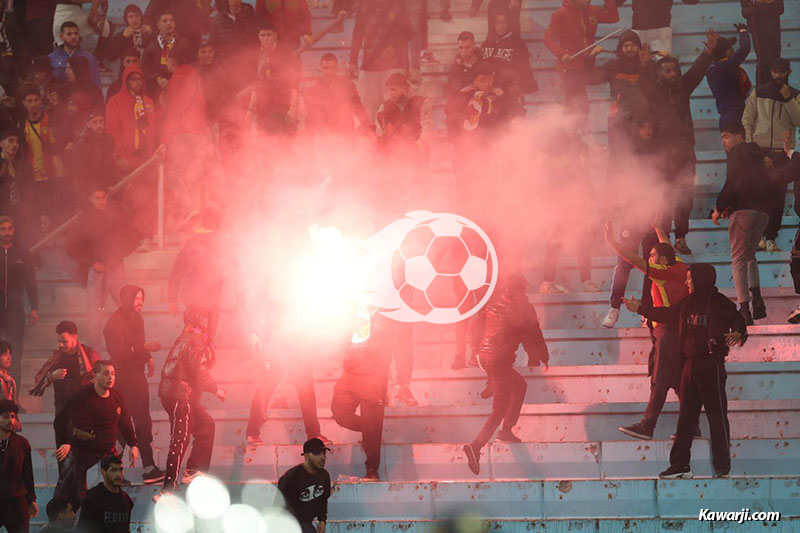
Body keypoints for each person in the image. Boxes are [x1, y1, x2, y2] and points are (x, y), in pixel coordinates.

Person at [624, 263, 747, 479]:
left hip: (712, 364)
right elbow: (667, 314)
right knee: (685, 418)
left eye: (690, 279)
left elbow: (738, 319)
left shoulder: (719, 302)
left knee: (716, 417)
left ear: (700, 279)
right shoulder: (686, 303)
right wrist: (640, 309)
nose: (687, 282)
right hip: (689, 366)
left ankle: (722, 467)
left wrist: (738, 333)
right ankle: (680, 465)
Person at [606, 221, 689, 440]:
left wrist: (613, 243)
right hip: (676, 331)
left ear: (661, 261)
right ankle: (692, 427)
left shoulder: (662, 272)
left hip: (666, 332)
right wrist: (658, 228)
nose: (649, 257)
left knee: (660, 380)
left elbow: (634, 260)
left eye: (652, 255)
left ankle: (647, 426)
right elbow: (666, 244)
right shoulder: (679, 265)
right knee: (679, 382)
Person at [639, 30, 718, 255]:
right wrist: (644, 66)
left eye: (674, 70)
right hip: (662, 155)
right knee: (663, 198)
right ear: (660, 73)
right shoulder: (654, 91)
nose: (672, 74)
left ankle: (681, 238)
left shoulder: (684, 87)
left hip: (685, 152)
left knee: (684, 196)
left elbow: (697, 71)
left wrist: (708, 52)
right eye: (667, 71)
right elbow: (644, 85)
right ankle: (663, 240)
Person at [462, 274, 549, 475]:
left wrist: (474, 350)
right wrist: (541, 356)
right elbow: (534, 335)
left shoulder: (493, 304)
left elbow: (474, 328)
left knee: (519, 385)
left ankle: (506, 429)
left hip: (485, 358)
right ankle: (475, 446)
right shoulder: (524, 309)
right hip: (499, 362)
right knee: (499, 408)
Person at [158, 306, 226, 495]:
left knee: (206, 426)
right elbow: (200, 369)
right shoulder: (196, 339)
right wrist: (216, 388)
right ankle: (168, 489)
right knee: (180, 440)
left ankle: (194, 469)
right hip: (181, 395)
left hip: (178, 393)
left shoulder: (186, 336)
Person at [601, 115, 662, 328]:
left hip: (650, 217)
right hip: (630, 215)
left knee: (650, 265)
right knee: (623, 262)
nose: (648, 131)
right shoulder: (627, 155)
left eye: (650, 127)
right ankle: (614, 306)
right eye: (644, 127)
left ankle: (647, 309)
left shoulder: (658, 153)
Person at [53, 361, 138, 509]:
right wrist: (65, 442)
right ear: (95, 375)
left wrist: (133, 444)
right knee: (73, 489)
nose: (110, 377)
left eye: (112, 374)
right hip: (82, 450)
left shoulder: (118, 397)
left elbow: (125, 423)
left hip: (107, 451)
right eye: (105, 373)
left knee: (114, 488)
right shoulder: (81, 397)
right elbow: (60, 420)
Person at [104, 285, 165, 485]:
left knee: (142, 421)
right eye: (136, 298)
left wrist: (148, 357)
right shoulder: (113, 323)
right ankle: (111, 469)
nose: (140, 302)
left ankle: (149, 468)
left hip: (137, 376)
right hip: (123, 378)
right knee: (123, 424)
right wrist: (144, 349)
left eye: (141, 298)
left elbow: (140, 343)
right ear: (126, 299)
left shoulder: (137, 318)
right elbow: (119, 352)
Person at [65, 186, 138, 351]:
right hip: (97, 271)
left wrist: (119, 254)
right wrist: (92, 262)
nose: (101, 201)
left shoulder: (117, 215)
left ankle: (131, 348)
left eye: (103, 197)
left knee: (127, 308)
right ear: (90, 199)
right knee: (94, 317)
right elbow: (71, 246)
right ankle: (94, 357)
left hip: (115, 267)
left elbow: (133, 235)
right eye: (97, 197)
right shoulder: (84, 219)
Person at [712, 122, 771, 324]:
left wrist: (719, 207)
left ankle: (744, 310)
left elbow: (733, 182)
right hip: (762, 212)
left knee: (737, 260)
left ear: (739, 136)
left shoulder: (736, 153)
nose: (723, 142)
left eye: (726, 136)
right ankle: (758, 301)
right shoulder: (759, 154)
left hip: (743, 212)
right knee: (749, 256)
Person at [742, 58, 800, 253]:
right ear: (771, 71)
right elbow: (747, 120)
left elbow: (798, 120)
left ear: (788, 72)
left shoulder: (794, 95)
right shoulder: (758, 92)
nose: (778, 75)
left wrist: (788, 99)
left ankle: (770, 238)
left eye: (782, 71)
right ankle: (758, 236)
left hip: (782, 154)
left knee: (777, 198)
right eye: (775, 71)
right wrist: (753, 149)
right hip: (761, 151)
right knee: (758, 196)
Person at [331, 310, 393, 480]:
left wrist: (384, 385)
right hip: (350, 372)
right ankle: (370, 429)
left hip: (373, 376)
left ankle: (372, 470)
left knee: (373, 424)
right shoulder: (350, 306)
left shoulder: (384, 312)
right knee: (340, 413)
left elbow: (389, 351)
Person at [544, 0, 619, 116]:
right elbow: (548, 38)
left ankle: (574, 129)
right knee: (577, 104)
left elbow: (614, 17)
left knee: (579, 105)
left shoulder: (592, 11)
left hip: (588, 63)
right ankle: (569, 129)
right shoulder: (561, 14)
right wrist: (561, 54)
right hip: (570, 66)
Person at [349, 0, 414, 121]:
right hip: (370, 66)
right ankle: (370, 137)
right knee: (368, 110)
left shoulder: (397, 5)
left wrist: (395, 46)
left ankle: (395, 139)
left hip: (393, 65)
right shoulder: (364, 5)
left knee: (392, 108)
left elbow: (409, 32)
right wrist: (352, 60)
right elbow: (357, 33)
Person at [167, 208, 225, 339]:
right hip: (203, 300)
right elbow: (178, 270)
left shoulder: (194, 241)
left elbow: (177, 270)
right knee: (204, 339)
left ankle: (201, 355)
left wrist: (172, 298)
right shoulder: (214, 242)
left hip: (197, 298)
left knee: (197, 338)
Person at [19, 83, 67, 225]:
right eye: (29, 101)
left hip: (57, 174)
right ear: (24, 103)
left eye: (35, 100)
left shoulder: (52, 120)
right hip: (36, 178)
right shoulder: (21, 125)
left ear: (40, 101)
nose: (33, 104)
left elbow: (62, 142)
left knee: (59, 212)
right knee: (43, 214)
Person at [31, 321, 100, 413]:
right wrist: (51, 377)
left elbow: (100, 378)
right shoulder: (56, 358)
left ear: (75, 337)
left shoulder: (89, 354)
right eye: (59, 341)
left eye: (64, 341)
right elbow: (38, 378)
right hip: (62, 407)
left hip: (85, 406)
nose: (61, 345)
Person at [0, 217, 37, 384]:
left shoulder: (23, 252)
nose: (6, 232)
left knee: (14, 354)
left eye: (9, 229)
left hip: (15, 308)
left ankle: (13, 399)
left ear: (13, 230)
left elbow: (31, 280)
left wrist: (34, 307)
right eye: (3, 229)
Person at [246, 23, 302, 136]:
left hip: (282, 104)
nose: (266, 39)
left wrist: (292, 108)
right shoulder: (256, 55)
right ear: (258, 36)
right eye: (263, 35)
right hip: (264, 107)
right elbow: (255, 83)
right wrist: (250, 109)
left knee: (286, 141)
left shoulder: (285, 54)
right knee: (267, 142)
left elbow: (294, 83)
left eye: (268, 35)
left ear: (275, 36)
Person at [105, 63, 157, 173]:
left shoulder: (148, 101)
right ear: (126, 81)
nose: (138, 83)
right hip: (127, 156)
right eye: (133, 79)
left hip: (148, 156)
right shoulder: (115, 102)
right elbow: (112, 130)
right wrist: (119, 155)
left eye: (140, 79)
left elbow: (153, 128)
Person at [302, 53, 372, 134]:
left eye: (332, 68)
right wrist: (309, 136)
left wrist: (368, 126)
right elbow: (310, 117)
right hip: (325, 134)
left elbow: (358, 107)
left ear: (336, 67)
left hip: (346, 132)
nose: (329, 71)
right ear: (321, 68)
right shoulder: (313, 91)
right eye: (326, 68)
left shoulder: (347, 85)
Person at [277, 438, 331, 533]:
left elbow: (323, 500)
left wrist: (322, 520)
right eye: (317, 453)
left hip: (304, 523)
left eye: (324, 453)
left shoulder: (324, 475)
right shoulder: (291, 478)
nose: (322, 457)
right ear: (306, 456)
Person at [0, 400, 37, 532]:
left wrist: (31, 500)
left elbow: (28, 474)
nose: (10, 420)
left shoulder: (22, 443)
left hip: (16, 499)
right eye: (5, 417)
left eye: (13, 416)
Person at [707, 23, 751, 129]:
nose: (733, 50)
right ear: (726, 52)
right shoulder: (726, 66)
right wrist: (743, 31)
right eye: (731, 48)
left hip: (726, 115)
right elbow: (745, 48)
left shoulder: (712, 68)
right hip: (735, 115)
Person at [480, 11, 536, 95]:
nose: (500, 26)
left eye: (504, 23)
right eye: (497, 23)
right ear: (493, 24)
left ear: (509, 24)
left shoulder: (517, 43)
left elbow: (524, 67)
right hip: (489, 87)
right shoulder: (487, 43)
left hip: (508, 88)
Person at [615, 0, 699, 55]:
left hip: (661, 29)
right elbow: (616, 2)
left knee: (662, 64)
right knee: (638, 65)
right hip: (639, 29)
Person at [76, 455, 134, 533]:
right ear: (103, 472)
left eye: (120, 470)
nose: (119, 474)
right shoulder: (92, 499)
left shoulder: (127, 501)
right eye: (114, 470)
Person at [0, 130, 39, 245]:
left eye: (17, 142)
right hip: (2, 211)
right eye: (10, 141)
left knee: (22, 241)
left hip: (20, 210)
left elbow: (31, 189)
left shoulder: (23, 164)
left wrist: (37, 210)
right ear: (1, 143)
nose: (14, 145)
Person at [70, 107, 118, 196]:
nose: (99, 125)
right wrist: (101, 188)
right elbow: (82, 174)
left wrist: (116, 181)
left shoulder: (109, 140)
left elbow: (111, 166)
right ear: (88, 124)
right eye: (94, 122)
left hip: (108, 187)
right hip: (90, 191)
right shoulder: (81, 145)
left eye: (101, 121)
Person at [141, 11, 194, 86]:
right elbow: (146, 70)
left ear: (175, 24)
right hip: (157, 91)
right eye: (165, 21)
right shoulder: (150, 49)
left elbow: (192, 67)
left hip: (181, 88)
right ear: (158, 25)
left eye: (171, 20)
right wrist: (157, 78)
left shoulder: (185, 45)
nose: (169, 23)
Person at [445, 31, 481, 140]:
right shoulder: (454, 68)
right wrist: (463, 91)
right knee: (451, 116)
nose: (463, 51)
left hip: (479, 108)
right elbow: (451, 94)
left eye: (467, 47)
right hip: (461, 110)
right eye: (460, 48)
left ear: (474, 46)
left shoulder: (483, 65)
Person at [740, 0, 784, 87]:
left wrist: (760, 4)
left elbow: (780, 8)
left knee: (775, 59)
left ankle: (774, 90)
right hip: (758, 20)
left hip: (771, 18)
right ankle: (762, 93)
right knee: (764, 60)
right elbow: (746, 10)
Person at [48, 21, 101, 88]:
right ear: (61, 36)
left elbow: (96, 83)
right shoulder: (52, 57)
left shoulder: (88, 57)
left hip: (81, 95)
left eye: (76, 34)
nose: (73, 37)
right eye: (69, 34)